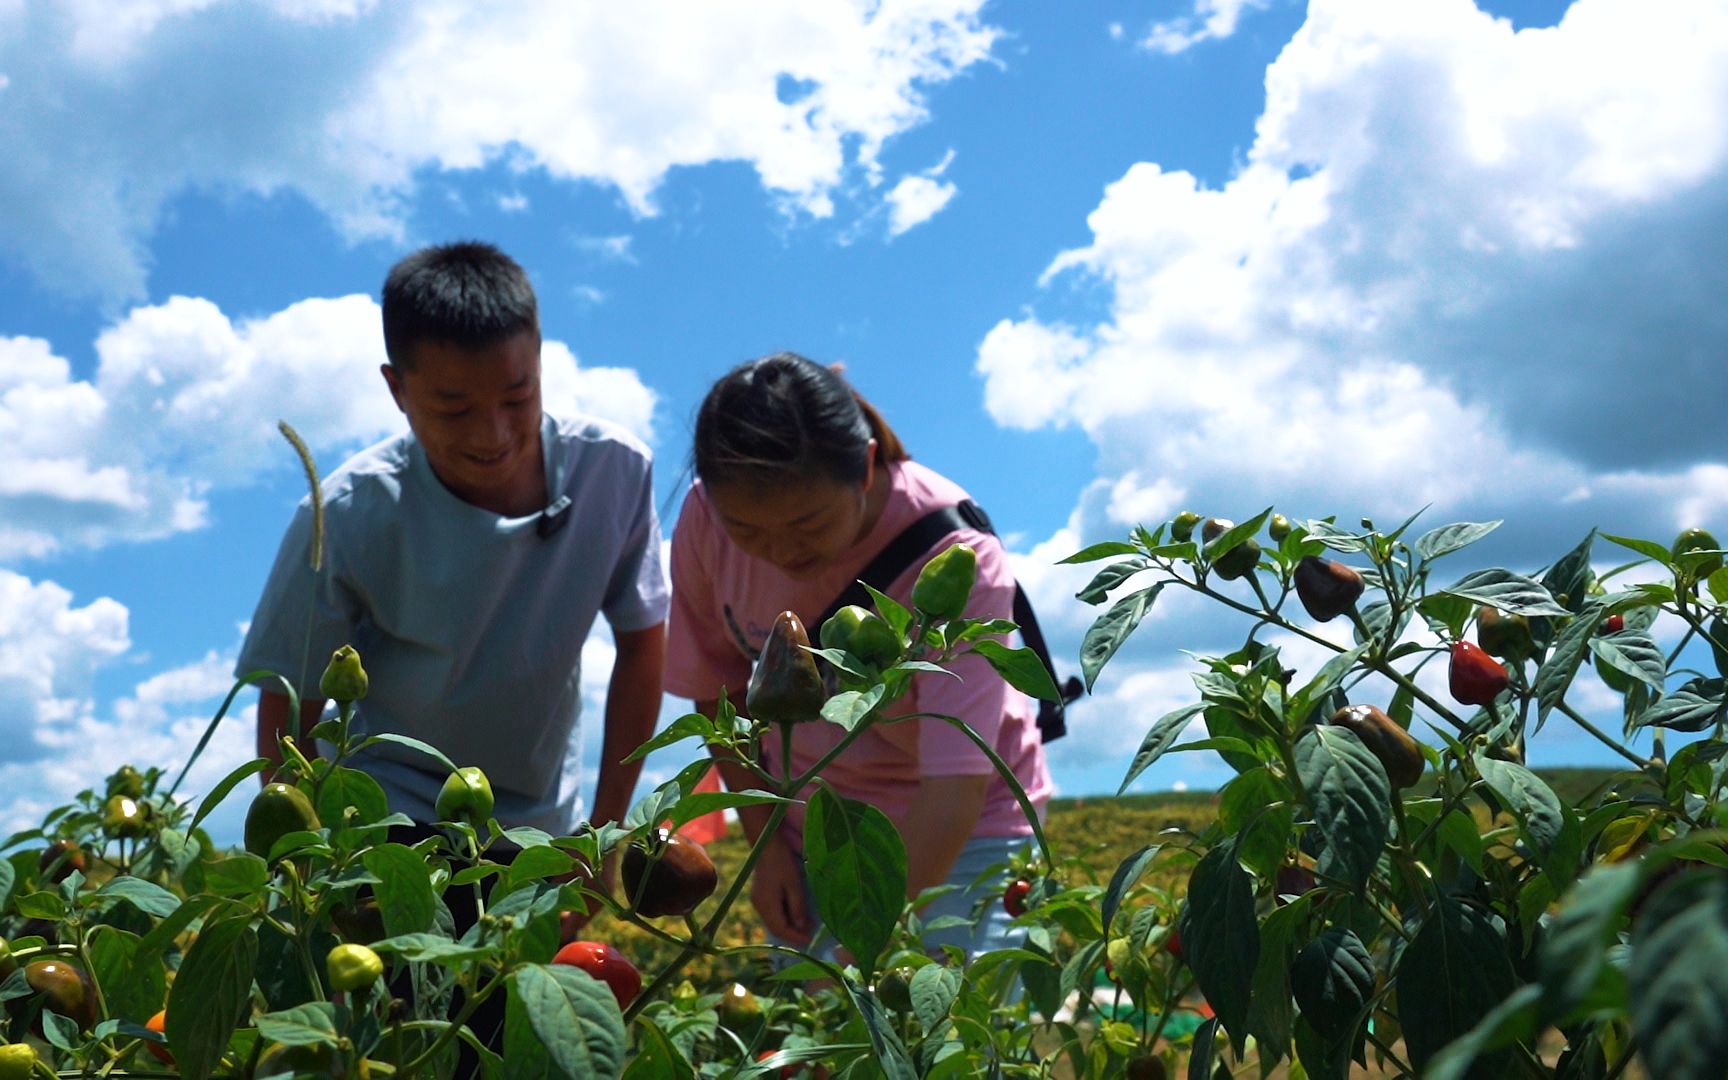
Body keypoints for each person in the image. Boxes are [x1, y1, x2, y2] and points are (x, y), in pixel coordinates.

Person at [236, 241, 669, 843]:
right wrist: (305, 859)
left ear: (540, 362)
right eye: (453, 407)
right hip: (387, 817)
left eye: (517, 399)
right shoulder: (346, 513)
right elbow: (289, 699)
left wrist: (604, 837)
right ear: (397, 389)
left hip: (538, 828)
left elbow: (644, 647)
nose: (492, 434)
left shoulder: (612, 473)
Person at [664, 352, 1054, 962]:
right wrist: (765, 854)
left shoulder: (954, 552)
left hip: (964, 834)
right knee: (817, 1042)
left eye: (809, 524)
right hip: (811, 829)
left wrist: (865, 942)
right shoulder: (705, 518)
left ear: (867, 467)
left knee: (939, 1040)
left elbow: (956, 782)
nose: (778, 553)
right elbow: (722, 695)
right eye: (748, 531)